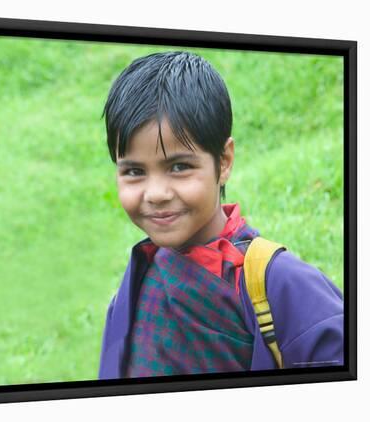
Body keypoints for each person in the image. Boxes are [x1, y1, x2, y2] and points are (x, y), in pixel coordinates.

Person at [98, 51, 344, 379]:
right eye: (134, 171)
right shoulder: (134, 287)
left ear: (224, 160)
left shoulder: (281, 286)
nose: (155, 193)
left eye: (179, 167)